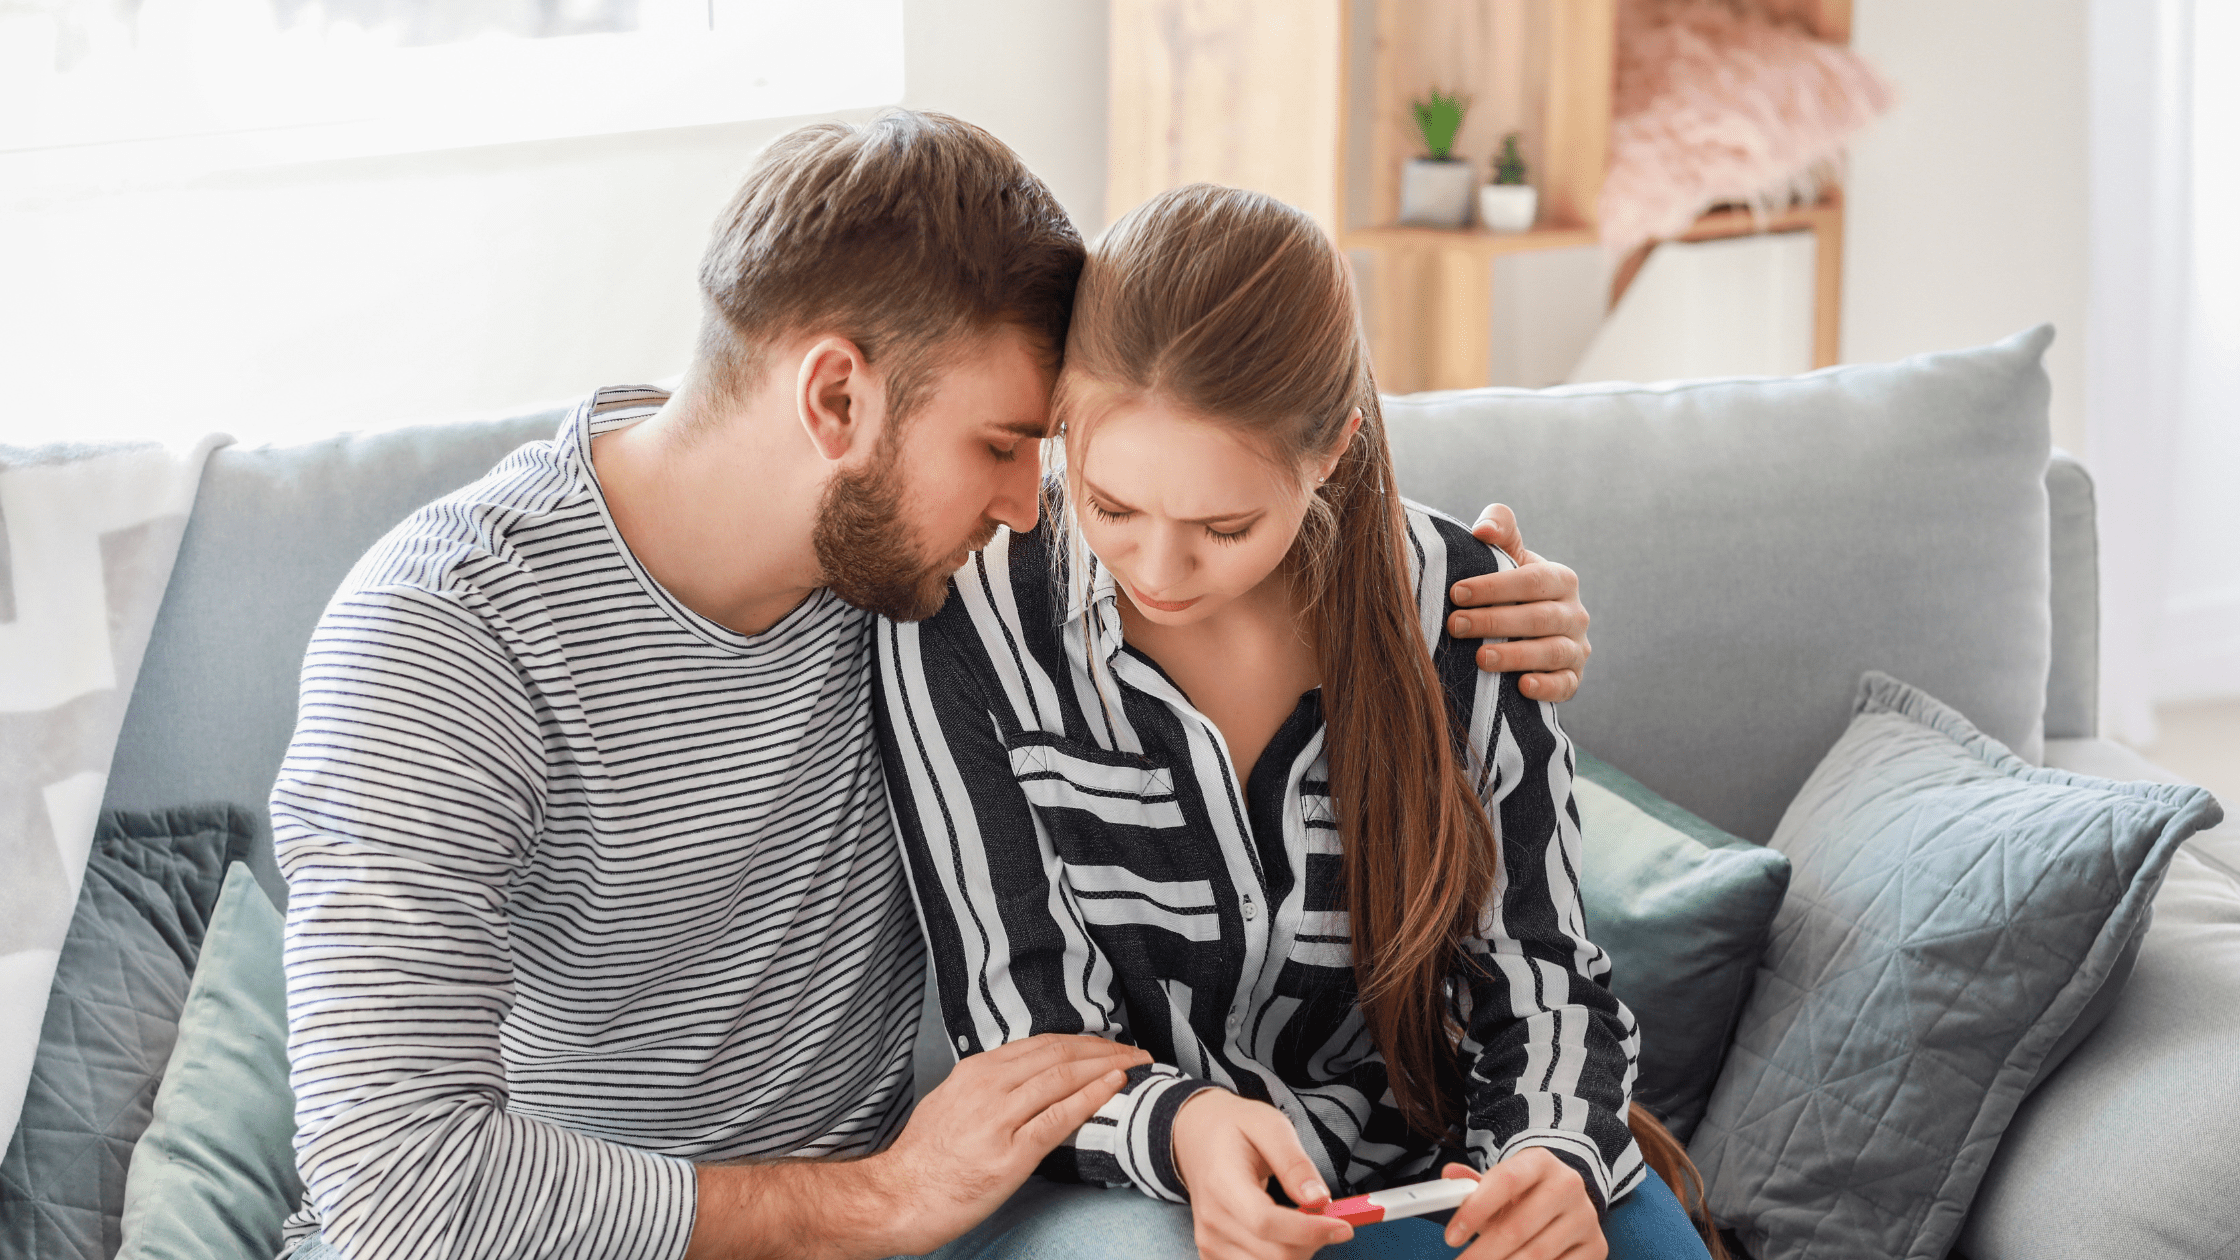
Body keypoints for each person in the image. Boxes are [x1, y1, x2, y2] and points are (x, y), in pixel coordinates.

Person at [270, 111, 1595, 1260]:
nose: (1040, 513)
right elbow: (400, 1189)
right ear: (836, 399)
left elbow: (1235, 467)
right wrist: (877, 1201)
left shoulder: (913, 589)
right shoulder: (442, 641)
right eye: (1008, 448)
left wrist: (1467, 604)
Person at [876, 183, 1716, 1260]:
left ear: (1329, 454)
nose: (1157, 570)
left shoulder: (1462, 603)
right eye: (1111, 506)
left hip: (1437, 1156)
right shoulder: (964, 623)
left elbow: (1539, 968)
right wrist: (1184, 1127)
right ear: (1062, 424)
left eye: (1224, 526)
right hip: (1144, 1176)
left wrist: (1549, 1153)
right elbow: (1026, 1031)